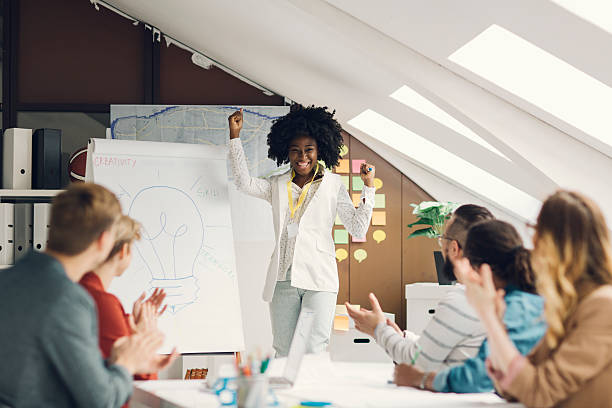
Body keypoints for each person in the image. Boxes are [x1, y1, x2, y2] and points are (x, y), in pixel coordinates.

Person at [0, 183, 177, 407]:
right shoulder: (68, 299)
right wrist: (125, 365)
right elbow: (101, 401)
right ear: (104, 240)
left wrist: (113, 364)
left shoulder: (6, 280)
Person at [228, 106, 376, 356]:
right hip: (283, 279)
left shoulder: (333, 184)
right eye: (295, 150)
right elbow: (244, 183)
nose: (302, 156)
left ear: (319, 151)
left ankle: (312, 394)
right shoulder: (276, 184)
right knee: (284, 349)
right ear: (287, 152)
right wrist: (235, 137)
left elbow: (357, 226)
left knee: (313, 347)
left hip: (319, 279)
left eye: (308, 150)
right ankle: (285, 394)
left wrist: (368, 188)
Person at [458, 191, 612, 407]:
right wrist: (495, 322)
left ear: (558, 243)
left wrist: (489, 319)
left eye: (536, 230)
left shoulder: (603, 306)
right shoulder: (568, 304)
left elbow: (539, 392)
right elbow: (513, 387)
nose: (533, 243)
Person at [394, 219, 547, 393]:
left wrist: (420, 379)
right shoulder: (527, 301)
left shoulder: (517, 308)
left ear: (481, 270)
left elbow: (478, 377)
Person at [347, 204, 493, 370]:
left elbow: (417, 361)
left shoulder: (462, 299)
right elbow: (439, 352)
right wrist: (401, 337)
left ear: (454, 248)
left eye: (442, 239)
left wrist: (378, 329)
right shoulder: (492, 293)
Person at [80, 215, 167, 382]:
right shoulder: (103, 302)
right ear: (124, 251)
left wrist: (129, 322)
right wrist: (143, 336)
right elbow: (141, 378)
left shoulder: (80, 289)